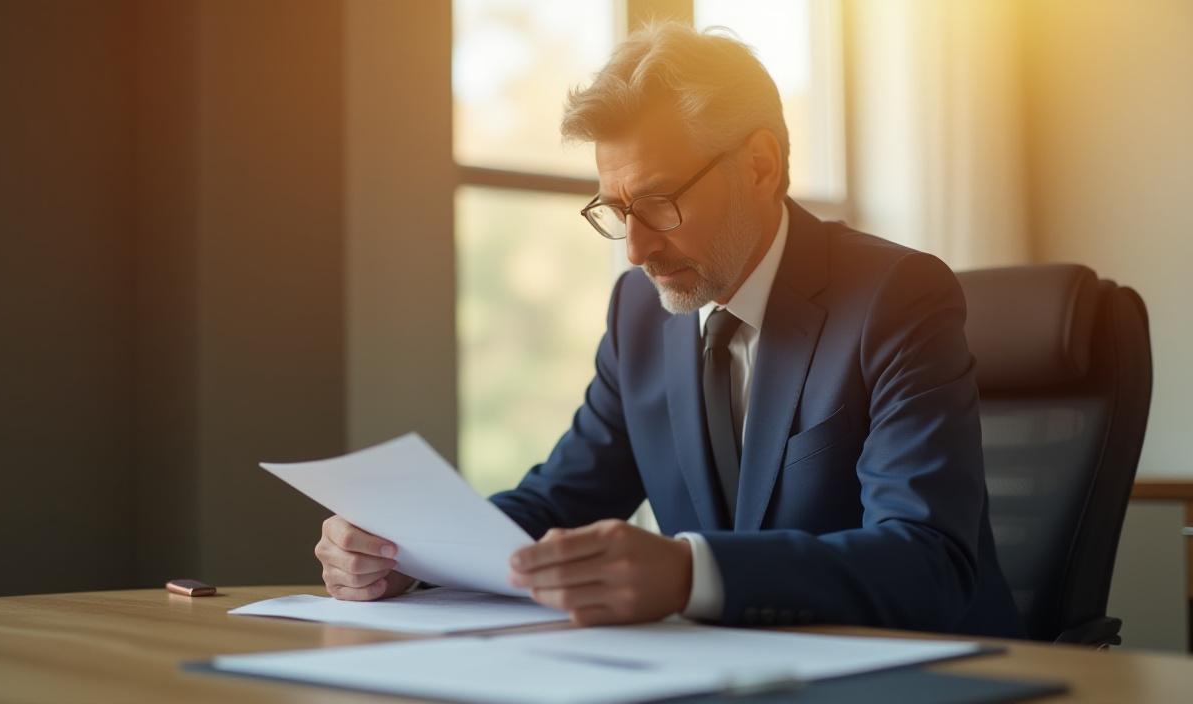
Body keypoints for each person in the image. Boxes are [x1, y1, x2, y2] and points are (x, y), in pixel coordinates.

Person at [314, 22, 1023, 637]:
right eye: (616, 210)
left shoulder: (896, 298)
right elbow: (558, 502)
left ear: (760, 166)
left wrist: (690, 573)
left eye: (657, 203)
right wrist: (409, 553)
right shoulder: (639, 314)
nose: (636, 249)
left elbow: (928, 558)